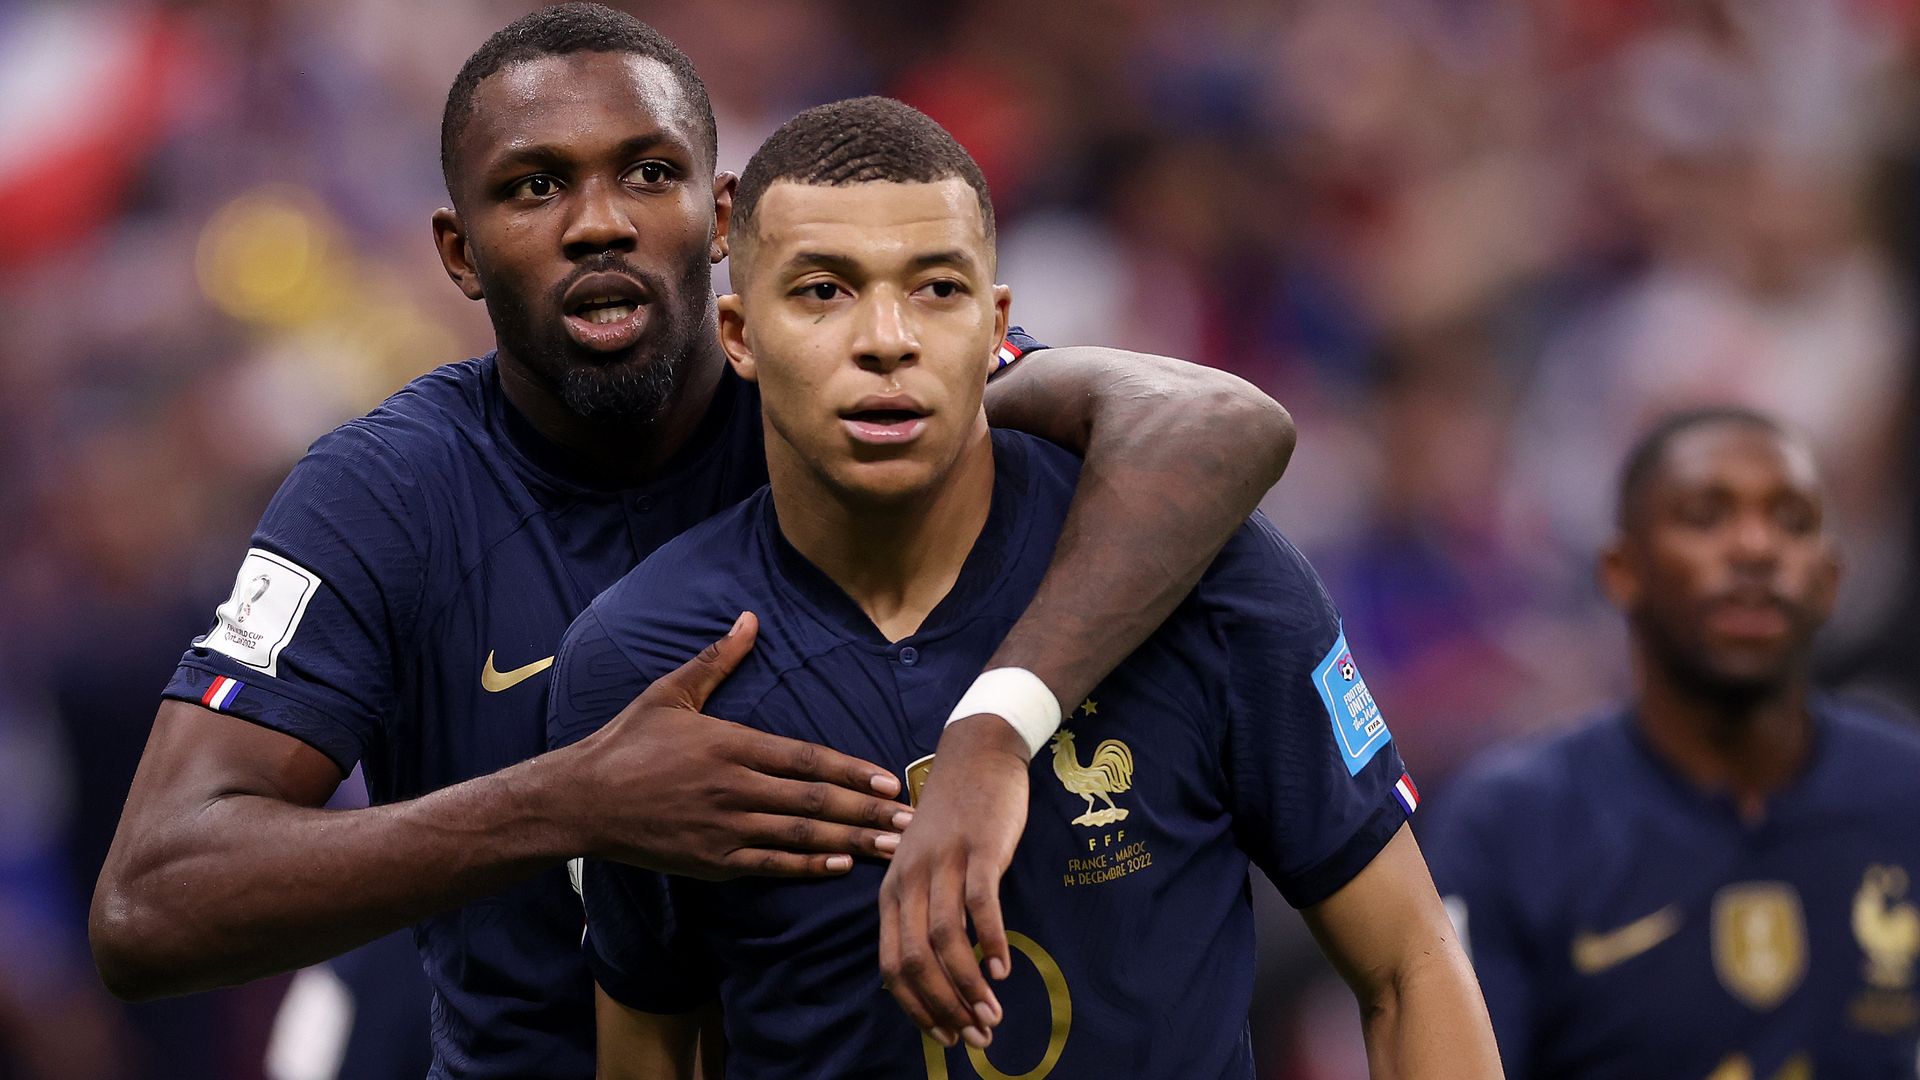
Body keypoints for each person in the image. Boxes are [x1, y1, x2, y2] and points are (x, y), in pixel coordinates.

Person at [87, 6, 1300, 1079]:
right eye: (534, 188)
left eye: (649, 174)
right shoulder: (385, 497)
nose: (599, 223)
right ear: (459, 253)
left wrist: (1000, 721)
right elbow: (148, 907)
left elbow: (1215, 428)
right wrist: (568, 804)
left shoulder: (859, 393)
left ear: (721, 220)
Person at [550, 95, 1498, 1079]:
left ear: (996, 325)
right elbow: (653, 1049)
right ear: (739, 334)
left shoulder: (1202, 571)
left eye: (937, 289)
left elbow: (1410, 967)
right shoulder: (645, 658)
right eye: (825, 290)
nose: (887, 338)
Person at [1424, 407, 1920, 1078]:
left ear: (1831, 578)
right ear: (1622, 571)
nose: (1756, 548)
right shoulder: (1512, 825)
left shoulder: (1905, 796)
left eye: (1793, 521)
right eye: (1705, 517)